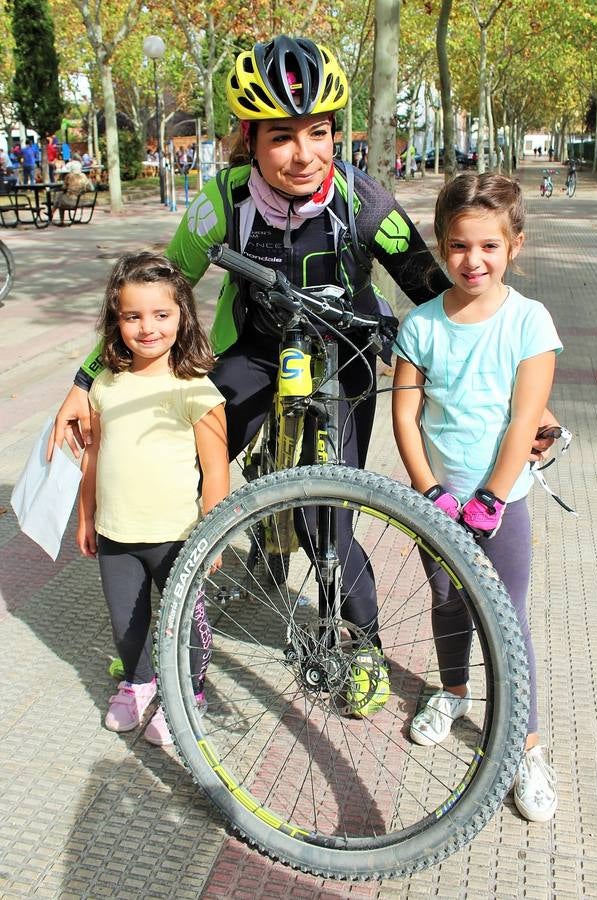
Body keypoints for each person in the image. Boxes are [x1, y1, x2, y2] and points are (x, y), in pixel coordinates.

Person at [49, 36, 556, 719]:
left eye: (317, 133)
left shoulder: (362, 199)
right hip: (255, 353)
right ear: (250, 140)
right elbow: (159, 288)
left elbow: (445, 298)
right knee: (184, 472)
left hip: (341, 359)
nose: (303, 153)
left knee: (330, 519)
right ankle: (152, 633)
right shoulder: (223, 199)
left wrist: (526, 405)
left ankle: (363, 645)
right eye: (281, 137)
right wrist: (86, 379)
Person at [392, 173, 561, 823]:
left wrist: (491, 495)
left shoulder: (529, 322)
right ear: (440, 246)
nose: (474, 260)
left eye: (489, 245)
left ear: (514, 245)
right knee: (446, 601)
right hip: (436, 506)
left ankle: (525, 746)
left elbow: (525, 421)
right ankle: (454, 692)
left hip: (503, 504)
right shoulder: (422, 326)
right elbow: (406, 418)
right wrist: (429, 491)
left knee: (509, 621)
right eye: (460, 246)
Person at [76, 252, 229, 746]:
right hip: (117, 532)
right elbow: (94, 455)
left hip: (179, 536)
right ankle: (138, 683)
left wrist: (214, 534)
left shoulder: (197, 390)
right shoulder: (105, 384)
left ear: (182, 316)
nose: (147, 328)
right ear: (115, 320)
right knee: (128, 623)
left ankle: (187, 694)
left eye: (161, 314)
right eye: (132, 316)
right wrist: (86, 516)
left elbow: (216, 471)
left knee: (188, 623)